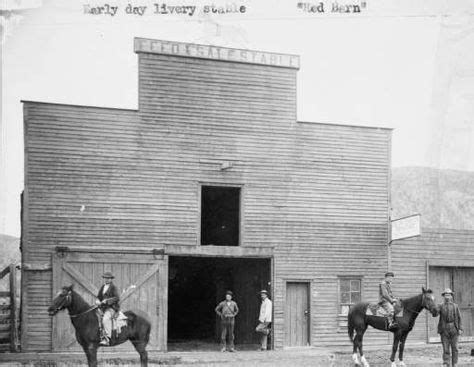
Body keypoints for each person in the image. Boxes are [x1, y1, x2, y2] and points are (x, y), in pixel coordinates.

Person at [434, 288, 462, 367]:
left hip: (454, 328)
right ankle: (446, 363)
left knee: (455, 348)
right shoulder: (440, 305)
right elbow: (435, 314)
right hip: (444, 329)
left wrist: (460, 328)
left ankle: (455, 363)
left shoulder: (455, 306)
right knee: (445, 348)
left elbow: (459, 318)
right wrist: (434, 309)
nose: (447, 297)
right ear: (444, 296)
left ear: (451, 296)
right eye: (446, 295)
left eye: (449, 295)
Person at [96, 271, 120, 346]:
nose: (106, 279)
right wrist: (97, 300)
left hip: (111, 308)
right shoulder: (103, 287)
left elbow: (117, 298)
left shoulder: (113, 287)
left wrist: (107, 301)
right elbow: (99, 296)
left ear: (111, 279)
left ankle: (107, 339)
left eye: (108, 278)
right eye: (105, 278)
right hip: (102, 308)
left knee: (105, 320)